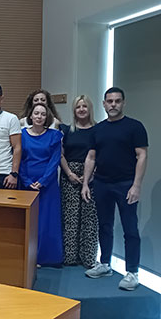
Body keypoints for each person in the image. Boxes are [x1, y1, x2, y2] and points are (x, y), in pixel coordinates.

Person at [82, 87, 148, 291]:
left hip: (126, 184)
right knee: (104, 225)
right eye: (109, 101)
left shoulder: (135, 127)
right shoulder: (98, 129)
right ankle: (105, 264)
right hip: (102, 183)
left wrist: (136, 185)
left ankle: (132, 272)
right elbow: (91, 157)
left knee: (130, 229)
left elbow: (142, 156)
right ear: (104, 104)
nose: (113, 105)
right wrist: (85, 183)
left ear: (123, 103)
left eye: (117, 101)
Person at [19, 103, 63, 266]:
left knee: (46, 221)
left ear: (47, 117)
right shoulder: (22, 134)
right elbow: (19, 159)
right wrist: (26, 181)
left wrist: (43, 181)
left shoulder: (54, 135)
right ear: (30, 116)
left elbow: (55, 160)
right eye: (36, 113)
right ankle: (28, 256)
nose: (39, 117)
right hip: (26, 183)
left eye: (43, 114)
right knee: (28, 221)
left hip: (47, 185)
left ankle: (45, 257)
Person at [59, 95, 98, 268]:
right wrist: (69, 173)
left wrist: (91, 175)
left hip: (92, 177)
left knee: (90, 218)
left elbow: (100, 154)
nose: (81, 109)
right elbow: (60, 154)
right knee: (70, 217)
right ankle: (69, 256)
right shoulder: (67, 130)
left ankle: (88, 258)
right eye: (78, 107)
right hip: (70, 176)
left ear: (90, 108)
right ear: (74, 110)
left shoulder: (98, 130)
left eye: (84, 106)